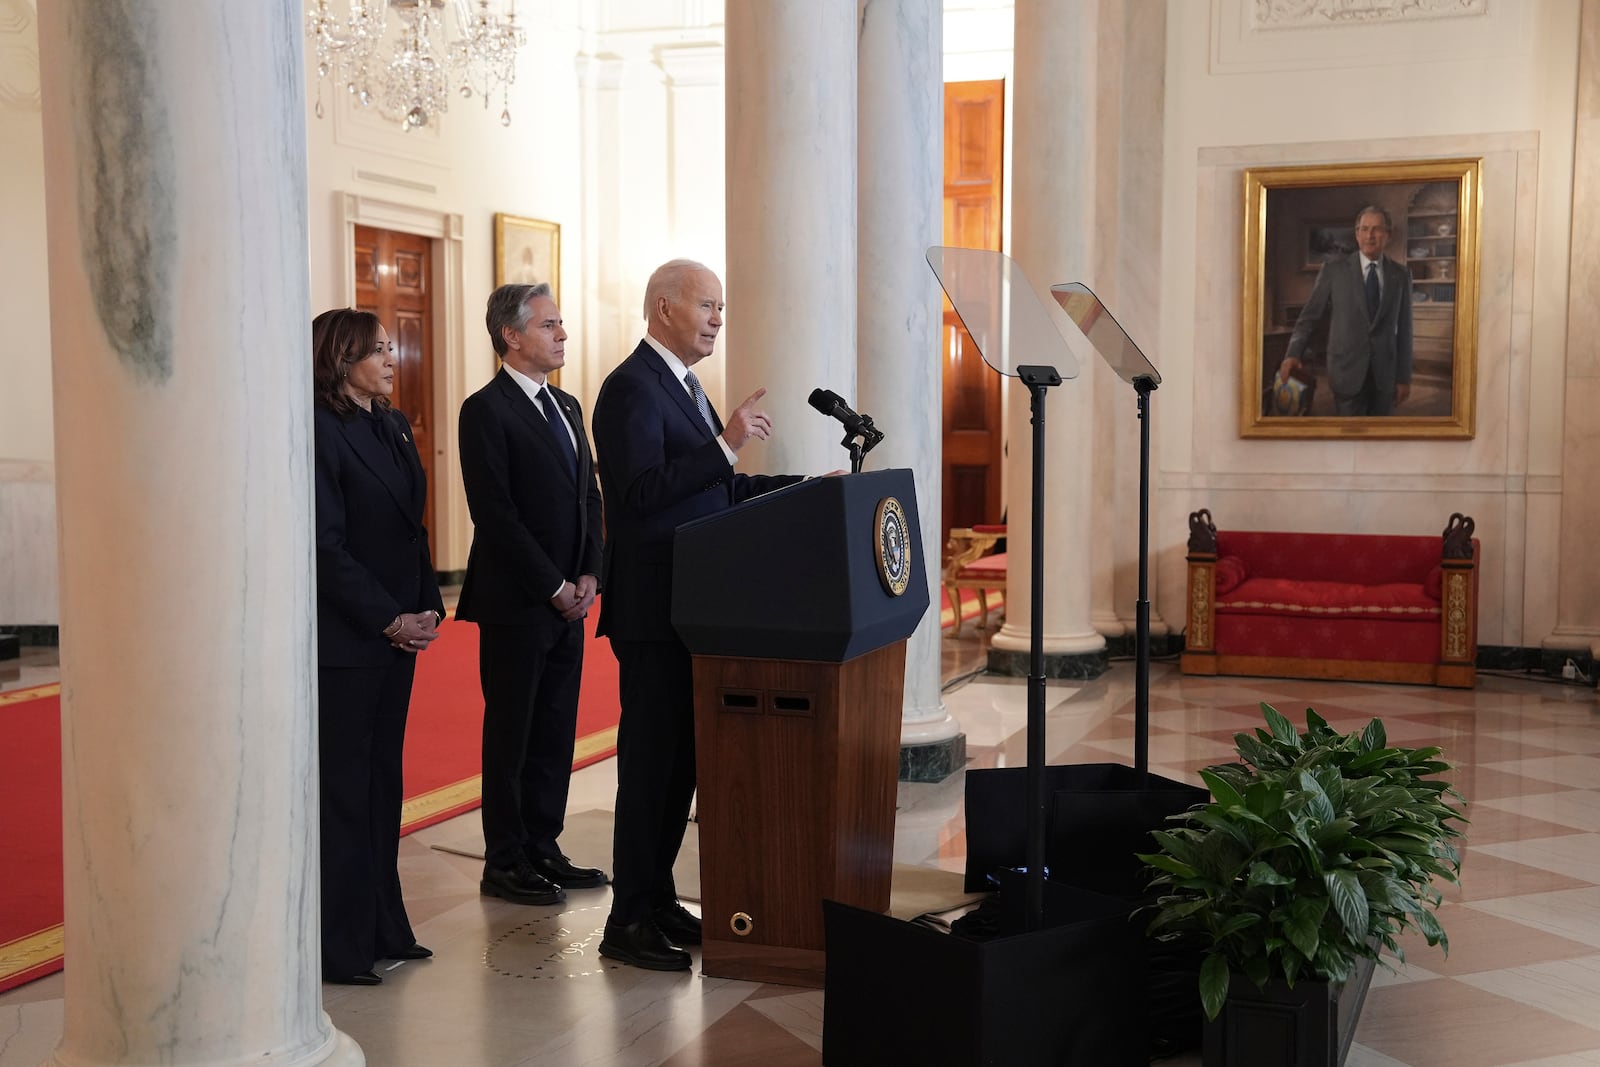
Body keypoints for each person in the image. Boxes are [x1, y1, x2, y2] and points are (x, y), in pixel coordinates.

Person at [591, 258, 805, 971]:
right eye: (708, 304)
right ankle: (625, 920)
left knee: (681, 765)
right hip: (653, 612)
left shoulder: (682, 385)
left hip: (694, 608)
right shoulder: (629, 388)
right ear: (663, 308)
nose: (718, 317)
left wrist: (805, 490)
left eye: (721, 306)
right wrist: (724, 442)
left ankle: (655, 898)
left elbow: (717, 491)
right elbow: (644, 493)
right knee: (650, 767)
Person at [456, 283, 607, 907]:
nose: (562, 334)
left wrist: (592, 573)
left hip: (572, 598)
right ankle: (506, 859)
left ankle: (544, 844)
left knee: (555, 729)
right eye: (549, 325)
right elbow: (496, 515)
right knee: (513, 732)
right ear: (511, 336)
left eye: (562, 323)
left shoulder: (569, 407)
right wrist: (553, 586)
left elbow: (590, 498)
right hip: (520, 603)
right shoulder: (484, 410)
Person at [312, 308, 445, 986]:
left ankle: (384, 924)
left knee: (382, 784)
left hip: (399, 634)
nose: (393, 357)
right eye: (379, 349)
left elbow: (412, 530)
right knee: (345, 791)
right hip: (351, 639)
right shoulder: (321, 429)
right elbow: (325, 547)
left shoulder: (389, 423)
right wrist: (387, 618)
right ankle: (341, 945)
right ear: (341, 359)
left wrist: (427, 607)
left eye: (391, 346)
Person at [1277, 205, 1414, 416]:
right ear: (1357, 234)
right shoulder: (1333, 271)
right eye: (1365, 229)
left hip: (1384, 378)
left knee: (1380, 444)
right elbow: (1308, 319)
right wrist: (1292, 354)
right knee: (1347, 443)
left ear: (1388, 235)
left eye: (1377, 229)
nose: (1370, 236)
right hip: (1346, 372)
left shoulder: (1401, 275)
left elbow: (1405, 330)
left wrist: (1403, 377)